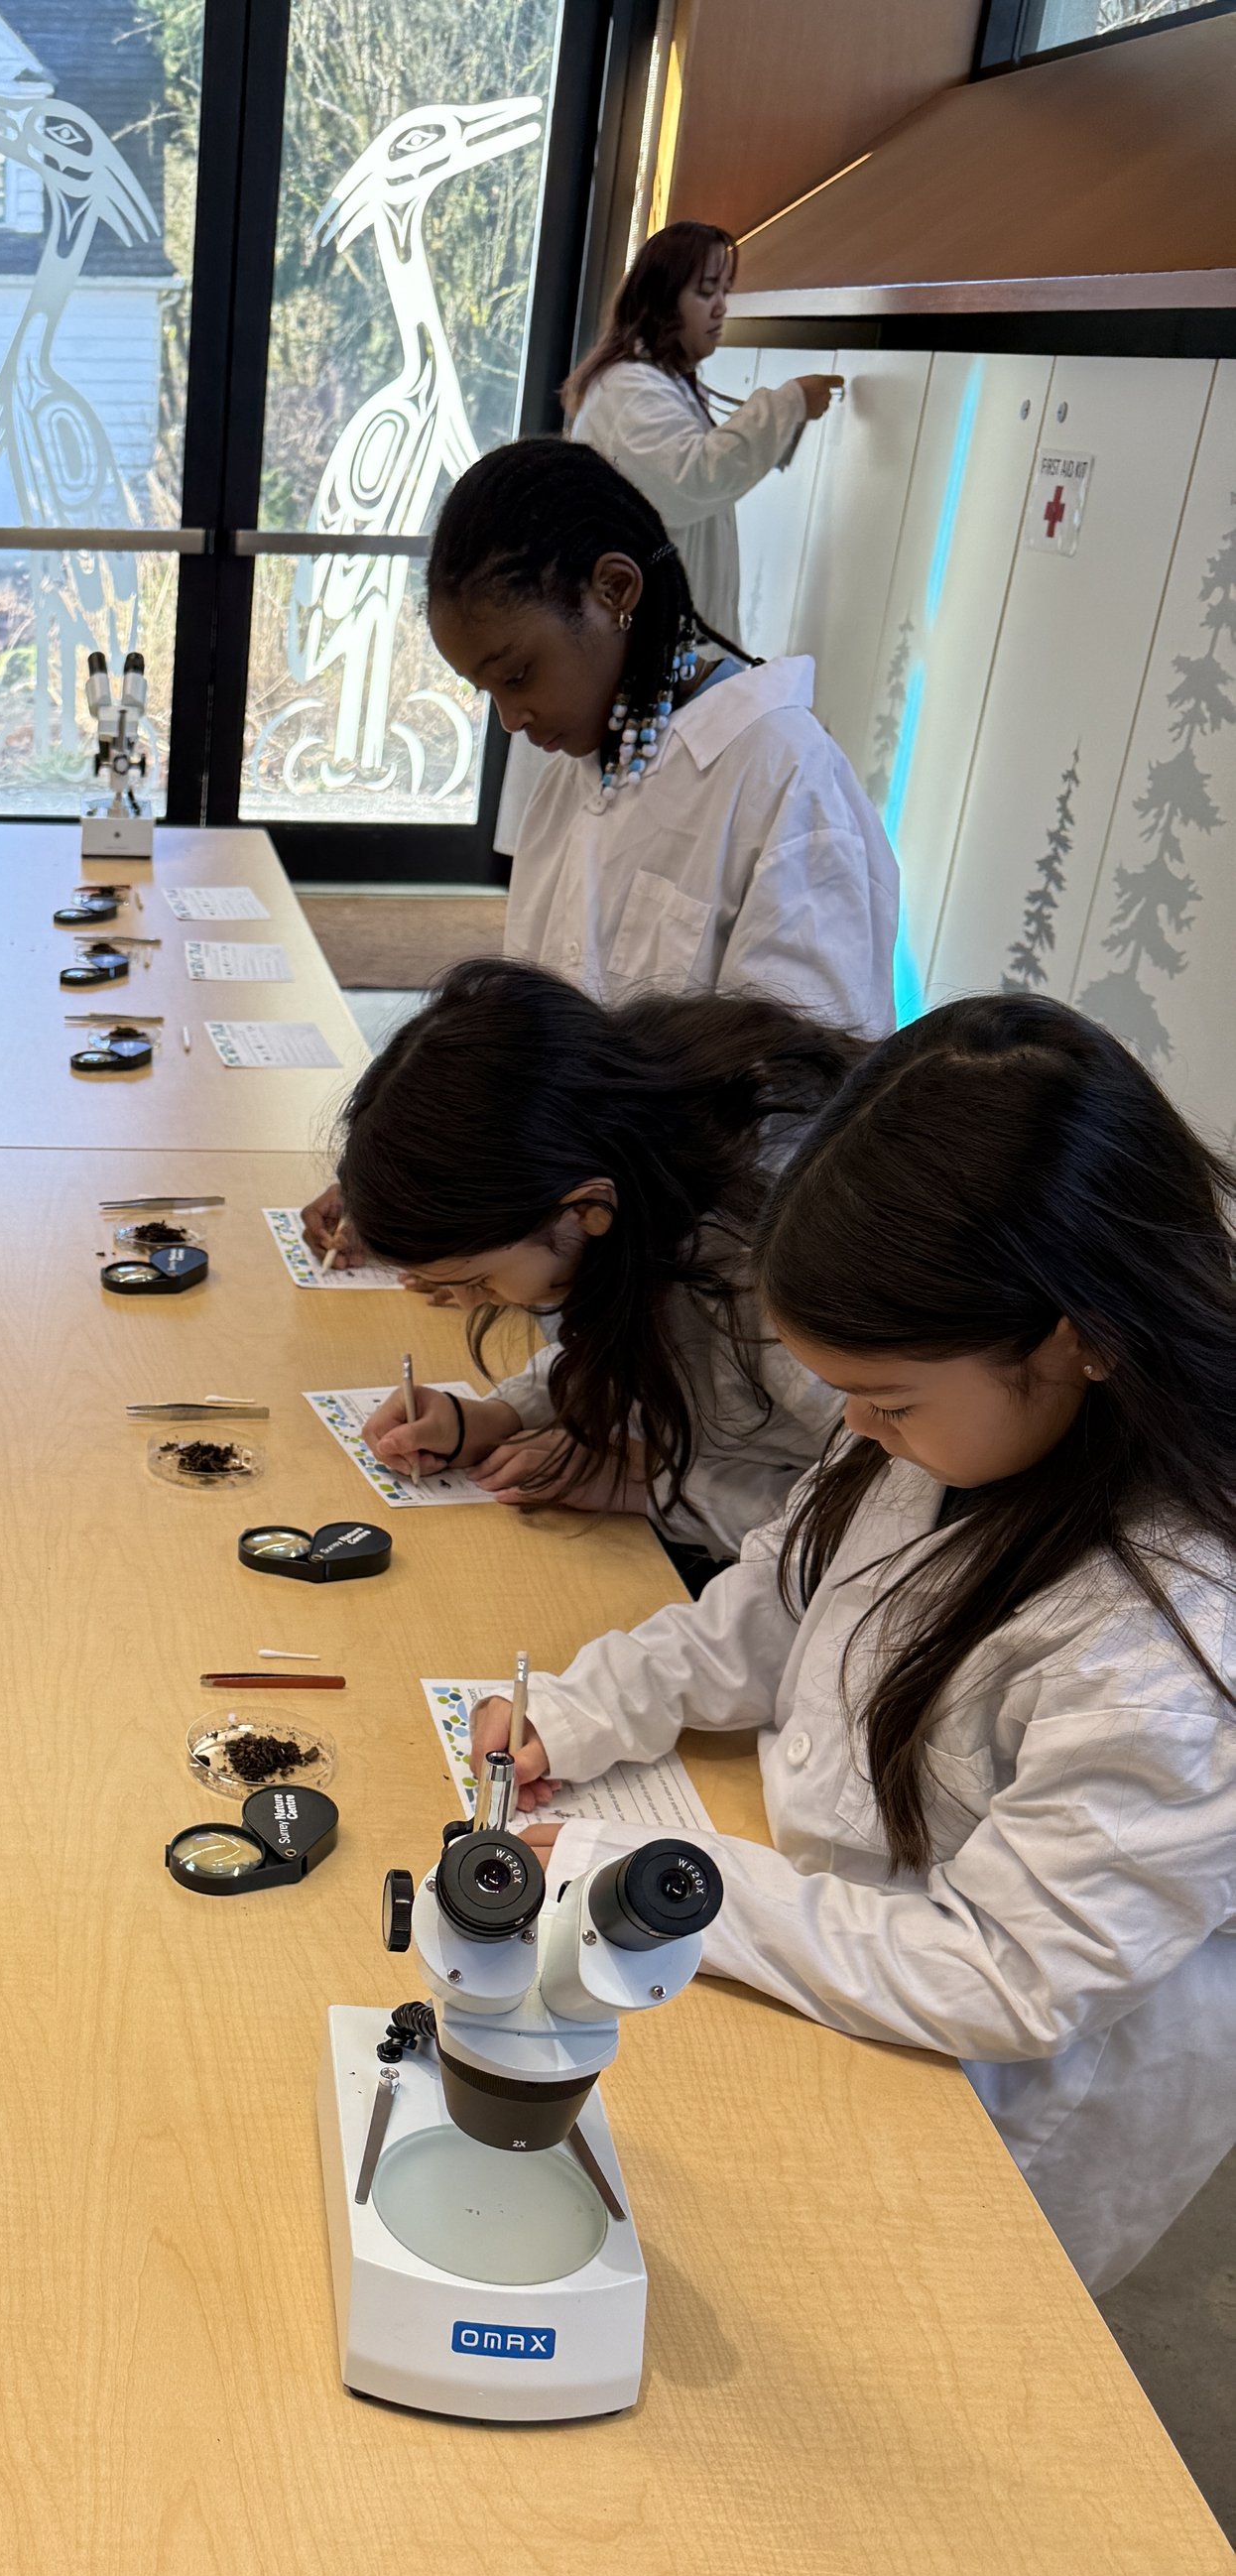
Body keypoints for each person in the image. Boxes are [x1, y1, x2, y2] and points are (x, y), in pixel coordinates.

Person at [472, 997, 1236, 2292]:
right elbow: (788, 1588)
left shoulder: (1170, 1646)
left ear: (1084, 1341)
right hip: (833, 1919)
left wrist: (659, 1884)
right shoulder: (954, 1417)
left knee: (894, 2322)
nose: (858, 1431)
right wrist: (597, 1701)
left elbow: (1005, 1977)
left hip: (992, 2080)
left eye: (885, 1400)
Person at [303, 438, 892, 1263]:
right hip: (568, 1260)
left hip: (701, 1274)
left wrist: (561, 1230)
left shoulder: (785, 780)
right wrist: (412, 1187)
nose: (510, 719)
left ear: (615, 591)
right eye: (487, 692)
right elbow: (526, 1060)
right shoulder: (571, 785)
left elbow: (805, 1108)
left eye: (518, 674)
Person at [332, 960, 850, 1589]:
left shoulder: (777, 1279)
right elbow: (626, 1332)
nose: (469, 1305)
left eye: (481, 1280)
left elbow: (896, 1525)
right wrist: (501, 1415)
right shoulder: (623, 1172)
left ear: (583, 1210)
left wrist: (651, 1482)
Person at [563, 220, 838, 648]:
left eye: (725, 291)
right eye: (707, 291)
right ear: (662, 298)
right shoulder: (628, 390)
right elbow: (695, 477)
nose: (721, 307)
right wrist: (793, 402)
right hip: (648, 646)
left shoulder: (657, 381)